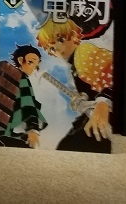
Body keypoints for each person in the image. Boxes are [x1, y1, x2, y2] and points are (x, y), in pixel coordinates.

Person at [36, 18, 113, 153]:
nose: (57, 49)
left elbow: (111, 72)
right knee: (69, 145)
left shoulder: (83, 52)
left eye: (60, 40)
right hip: (93, 114)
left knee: (75, 145)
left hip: (105, 113)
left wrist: (103, 102)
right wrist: (82, 101)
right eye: (52, 48)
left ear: (73, 35)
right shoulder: (74, 67)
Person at [0, 45, 48, 148]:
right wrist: (33, 130)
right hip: (2, 131)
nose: (33, 68)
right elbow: (28, 104)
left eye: (36, 65)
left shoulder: (1, 69)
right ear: (20, 60)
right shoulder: (22, 79)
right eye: (30, 62)